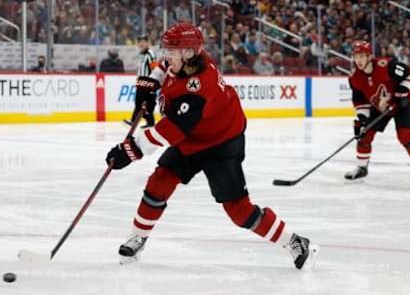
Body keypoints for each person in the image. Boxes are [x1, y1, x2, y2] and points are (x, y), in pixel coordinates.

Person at [105, 22, 319, 270]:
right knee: (160, 181)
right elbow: (163, 68)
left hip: (221, 143)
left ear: (188, 54)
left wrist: (131, 150)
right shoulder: (187, 61)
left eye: (172, 51)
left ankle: (295, 241)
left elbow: (170, 130)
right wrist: (150, 83)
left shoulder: (199, 85)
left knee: (239, 211)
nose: (167, 56)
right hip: (193, 138)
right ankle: (138, 237)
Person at [345, 40, 410, 184]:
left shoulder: (387, 66)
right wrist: (362, 119)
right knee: (364, 134)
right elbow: (359, 100)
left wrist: (402, 90)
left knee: (405, 135)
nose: (359, 60)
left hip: (402, 104)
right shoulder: (354, 77)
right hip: (380, 107)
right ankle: (362, 168)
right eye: (356, 57)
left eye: (362, 56)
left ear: (370, 56)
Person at [126, 34, 158, 128]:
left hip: (148, 82)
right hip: (141, 81)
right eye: (140, 42)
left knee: (139, 102)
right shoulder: (140, 54)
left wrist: (153, 85)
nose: (141, 44)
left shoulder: (151, 54)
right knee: (144, 103)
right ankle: (151, 123)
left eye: (144, 42)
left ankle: (133, 121)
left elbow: (155, 69)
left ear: (148, 43)